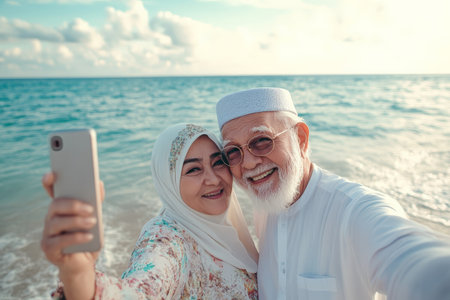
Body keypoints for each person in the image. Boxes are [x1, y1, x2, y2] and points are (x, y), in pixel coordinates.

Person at [215, 87, 450, 300]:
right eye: (233, 152)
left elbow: (411, 259)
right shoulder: (265, 207)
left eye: (262, 141)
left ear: (300, 139)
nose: (248, 163)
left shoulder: (355, 210)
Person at [41, 123, 259, 299]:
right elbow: (142, 290)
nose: (213, 179)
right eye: (193, 169)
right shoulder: (167, 238)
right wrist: (78, 273)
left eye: (218, 162)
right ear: (168, 183)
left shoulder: (228, 229)